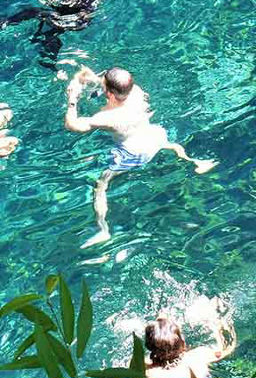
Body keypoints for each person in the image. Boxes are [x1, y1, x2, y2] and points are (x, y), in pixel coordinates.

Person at [63, 65, 217, 246]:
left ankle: (103, 229)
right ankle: (195, 161)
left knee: (101, 185)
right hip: (154, 137)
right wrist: (91, 80)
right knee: (172, 145)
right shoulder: (135, 92)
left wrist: (72, 99)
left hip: (134, 153)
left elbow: (72, 126)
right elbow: (115, 85)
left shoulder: (105, 117)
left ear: (110, 94)